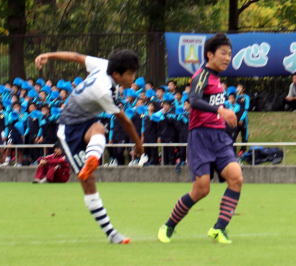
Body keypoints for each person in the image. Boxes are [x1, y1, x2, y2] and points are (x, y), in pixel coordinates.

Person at [35, 49, 144, 245]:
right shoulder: (104, 91)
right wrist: (139, 145)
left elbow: (77, 57)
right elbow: (125, 122)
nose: (133, 78)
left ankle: (91, 160)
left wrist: (48, 56)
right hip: (68, 131)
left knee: (99, 128)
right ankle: (111, 233)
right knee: (89, 183)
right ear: (117, 74)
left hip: (86, 121)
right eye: (130, 74)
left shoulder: (104, 65)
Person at [158, 33, 242, 245]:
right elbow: (194, 101)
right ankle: (168, 225)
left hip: (219, 138)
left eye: (229, 54)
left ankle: (219, 228)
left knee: (236, 178)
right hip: (200, 137)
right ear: (209, 54)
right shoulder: (201, 75)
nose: (227, 58)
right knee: (202, 189)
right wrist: (221, 110)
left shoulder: (217, 80)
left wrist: (225, 118)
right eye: (223, 53)